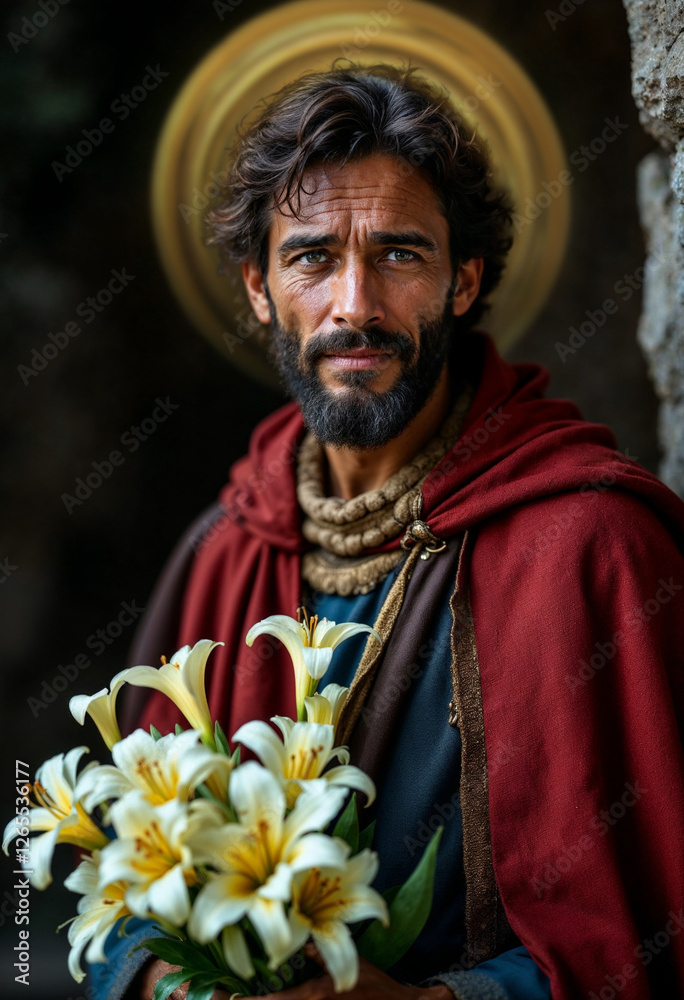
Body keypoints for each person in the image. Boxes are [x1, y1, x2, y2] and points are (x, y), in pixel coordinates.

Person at [92, 62, 684, 1000]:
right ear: (258, 288)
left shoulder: (592, 543)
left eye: (402, 255)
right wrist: (174, 981)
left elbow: (653, 938)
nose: (356, 306)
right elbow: (117, 893)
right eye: (313, 257)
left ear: (464, 280)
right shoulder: (228, 546)